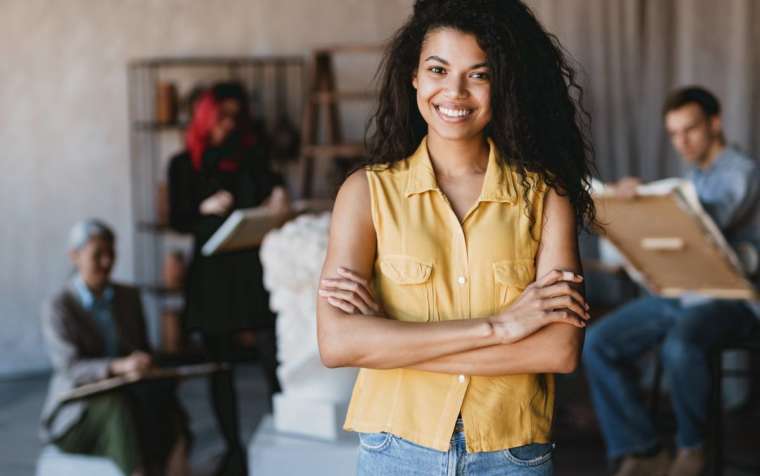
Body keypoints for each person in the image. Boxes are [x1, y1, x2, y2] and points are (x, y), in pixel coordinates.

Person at [315, 1, 598, 474]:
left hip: (512, 454)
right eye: (438, 69)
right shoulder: (365, 194)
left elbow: (559, 350)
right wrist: (500, 328)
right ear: (414, 77)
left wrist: (391, 341)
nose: (455, 91)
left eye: (478, 75)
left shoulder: (546, 198)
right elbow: (338, 344)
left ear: (501, 84)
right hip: (396, 451)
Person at [583, 86, 760, 476]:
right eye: (674, 134)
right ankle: (643, 450)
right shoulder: (694, 175)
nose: (682, 142)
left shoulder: (742, 172)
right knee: (599, 343)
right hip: (683, 293)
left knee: (683, 341)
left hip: (732, 297)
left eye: (690, 130)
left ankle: (692, 450)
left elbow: (708, 220)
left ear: (715, 124)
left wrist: (645, 200)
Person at [168, 81, 289, 476]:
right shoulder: (183, 164)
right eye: (223, 116)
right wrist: (202, 207)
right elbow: (177, 218)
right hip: (211, 277)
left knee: (273, 352)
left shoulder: (251, 158)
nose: (230, 125)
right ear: (205, 118)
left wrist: (277, 198)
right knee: (219, 365)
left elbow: (273, 192)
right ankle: (233, 449)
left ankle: (284, 435)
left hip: (249, 270)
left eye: (237, 116)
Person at [40, 219, 190, 476]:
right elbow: (70, 367)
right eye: (97, 255)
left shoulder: (128, 297)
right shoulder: (59, 305)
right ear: (74, 256)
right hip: (78, 413)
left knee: (163, 399)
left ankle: (176, 463)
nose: (107, 262)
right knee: (115, 408)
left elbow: (142, 348)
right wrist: (117, 366)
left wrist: (145, 363)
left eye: (111, 253)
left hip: (129, 395)